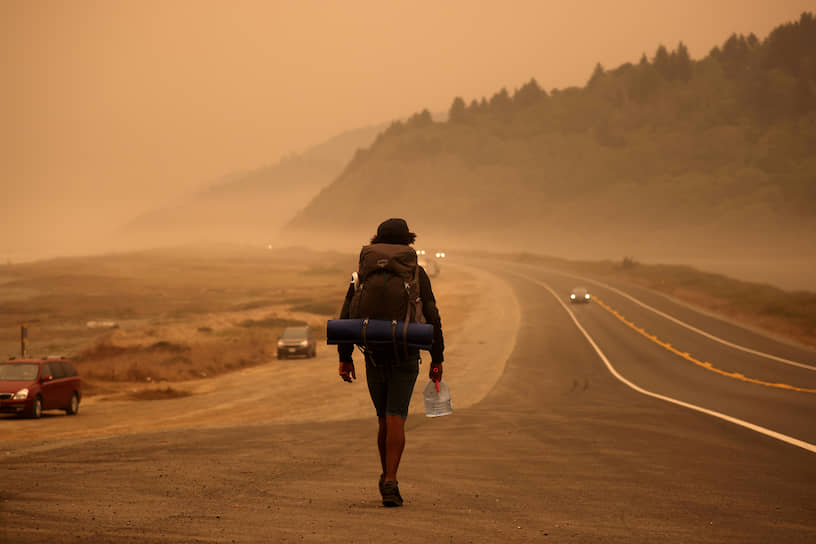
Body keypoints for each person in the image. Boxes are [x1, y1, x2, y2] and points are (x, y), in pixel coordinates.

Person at [338, 218, 444, 507]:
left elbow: (347, 315)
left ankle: (385, 473)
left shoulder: (361, 274)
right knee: (397, 415)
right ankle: (391, 480)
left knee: (383, 418)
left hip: (373, 353)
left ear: (376, 241)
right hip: (406, 354)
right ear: (408, 242)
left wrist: (345, 359)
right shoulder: (417, 273)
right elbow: (432, 315)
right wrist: (438, 359)